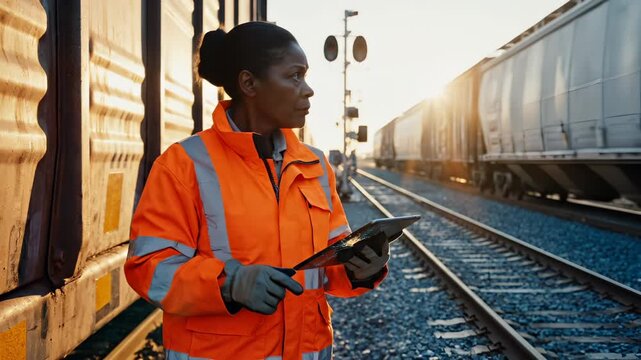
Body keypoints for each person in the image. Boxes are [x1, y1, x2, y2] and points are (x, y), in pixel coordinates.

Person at [124, 22, 391, 360]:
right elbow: (148, 267)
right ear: (249, 83)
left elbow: (328, 262)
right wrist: (228, 284)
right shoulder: (183, 165)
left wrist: (360, 268)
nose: (308, 90)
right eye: (294, 76)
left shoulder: (315, 166)